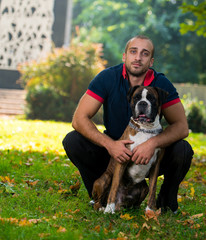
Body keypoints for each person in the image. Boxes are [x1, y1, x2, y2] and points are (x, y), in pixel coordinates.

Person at [62, 35, 193, 214]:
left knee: (183, 150)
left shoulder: (162, 84)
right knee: (73, 141)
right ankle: (101, 195)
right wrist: (110, 145)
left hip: (150, 156)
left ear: (151, 61)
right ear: (124, 56)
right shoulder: (107, 78)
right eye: (133, 51)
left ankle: (166, 199)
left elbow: (181, 126)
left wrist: (152, 143)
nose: (138, 57)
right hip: (113, 154)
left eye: (144, 53)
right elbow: (79, 119)